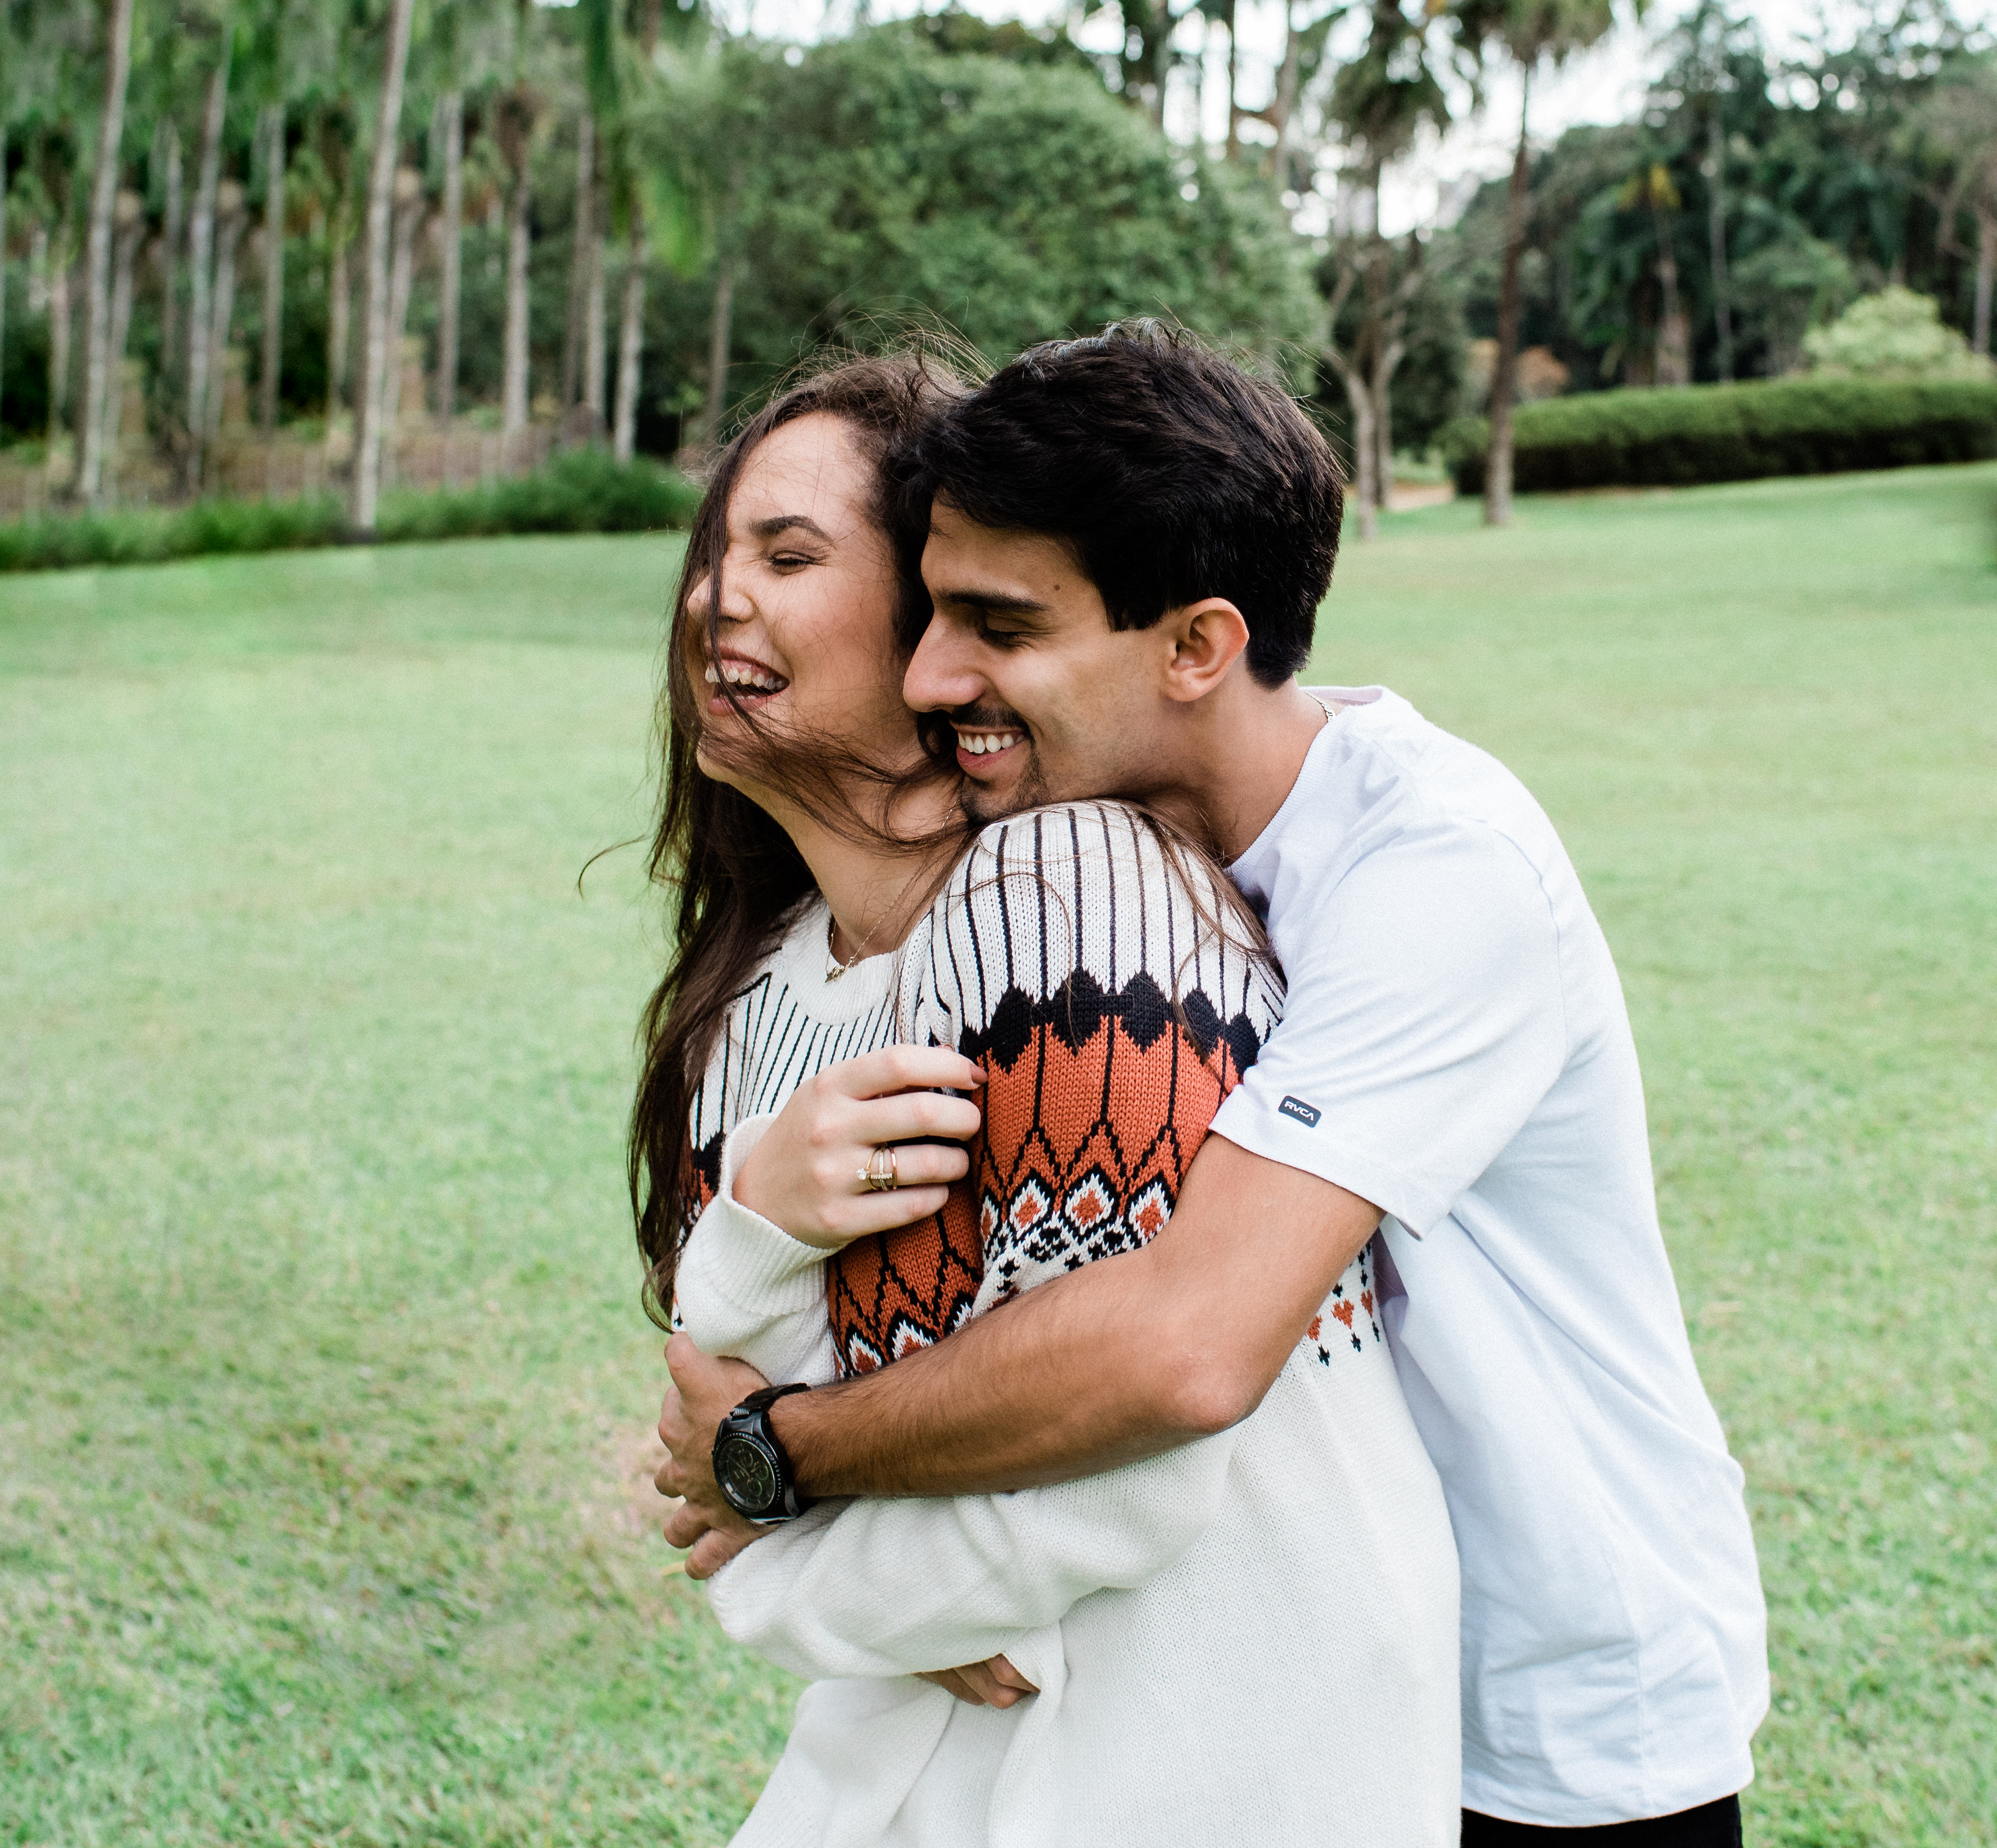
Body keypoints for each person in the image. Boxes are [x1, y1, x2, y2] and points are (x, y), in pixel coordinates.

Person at [657, 324, 1769, 1842]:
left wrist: (779, 1454)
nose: (933, 674)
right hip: (1296, 1674)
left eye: (997, 624)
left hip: (1551, 1701)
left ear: (1196, 647)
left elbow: (1181, 1349)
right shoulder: (1097, 868)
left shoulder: (1433, 873)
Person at [633, 351, 1460, 1846]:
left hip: (1226, 1752)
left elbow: (1118, 1462)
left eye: (788, 556)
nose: (713, 599)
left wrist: (816, 1544)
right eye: (717, 553)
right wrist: (760, 1212)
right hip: (945, 1767)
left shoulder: (1074, 897)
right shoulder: (756, 996)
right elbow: (715, 1437)